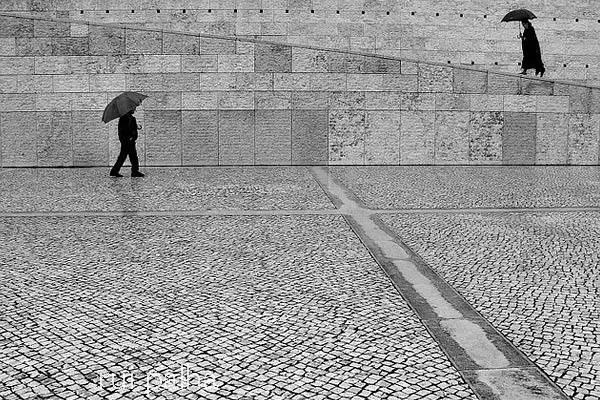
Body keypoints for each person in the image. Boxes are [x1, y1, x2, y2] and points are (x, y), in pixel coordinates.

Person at [110, 108, 144, 177]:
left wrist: (136, 126)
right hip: (128, 141)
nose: (134, 110)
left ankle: (115, 171)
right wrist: (130, 137)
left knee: (125, 156)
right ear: (129, 109)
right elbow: (125, 130)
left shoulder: (126, 118)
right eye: (133, 109)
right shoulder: (126, 118)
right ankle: (134, 171)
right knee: (132, 156)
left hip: (127, 140)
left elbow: (129, 128)